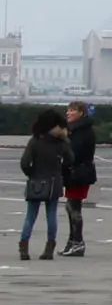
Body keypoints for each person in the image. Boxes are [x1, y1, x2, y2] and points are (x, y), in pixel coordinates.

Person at [19, 108, 70, 261]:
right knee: (51, 215)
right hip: (54, 181)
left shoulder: (35, 140)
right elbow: (70, 160)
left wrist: (32, 173)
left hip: (36, 180)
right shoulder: (61, 142)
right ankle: (49, 247)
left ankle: (24, 246)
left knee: (30, 216)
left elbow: (25, 163)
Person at [60, 102, 97, 259]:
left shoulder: (81, 130)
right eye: (68, 110)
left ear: (81, 113)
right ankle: (72, 241)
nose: (68, 113)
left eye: (73, 110)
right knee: (70, 206)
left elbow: (76, 152)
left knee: (74, 207)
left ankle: (78, 242)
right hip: (74, 172)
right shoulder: (74, 129)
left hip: (79, 173)